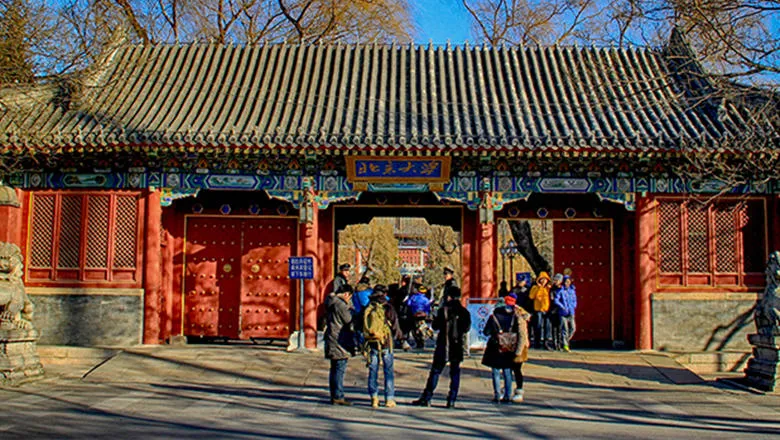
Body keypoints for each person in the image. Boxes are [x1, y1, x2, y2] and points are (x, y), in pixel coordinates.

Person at [411, 286, 471, 408]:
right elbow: (466, 328)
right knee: (455, 372)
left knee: (435, 371)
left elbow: (435, 326)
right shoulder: (464, 312)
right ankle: (451, 399)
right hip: (456, 344)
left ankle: (427, 397)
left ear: (448, 296)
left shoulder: (443, 310)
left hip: (443, 344)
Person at [482, 293, 530, 403]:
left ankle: (498, 394)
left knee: (496, 371)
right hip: (510, 346)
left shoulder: (494, 317)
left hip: (496, 346)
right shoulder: (514, 317)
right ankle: (508, 394)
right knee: (507, 370)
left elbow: (486, 332)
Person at [363, 284, 402, 408]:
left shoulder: (368, 307)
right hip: (386, 342)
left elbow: (360, 323)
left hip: (371, 342)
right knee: (388, 371)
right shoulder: (388, 307)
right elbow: (395, 324)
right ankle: (389, 398)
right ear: (385, 294)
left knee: (373, 370)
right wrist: (399, 337)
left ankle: (374, 397)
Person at [325, 284, 355, 406]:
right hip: (340, 338)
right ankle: (338, 395)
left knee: (334, 368)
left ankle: (334, 393)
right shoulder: (341, 305)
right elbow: (349, 320)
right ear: (347, 294)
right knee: (339, 368)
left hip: (332, 336)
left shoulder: (330, 301)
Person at [554, 275, 578, 352]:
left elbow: (575, 300)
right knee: (565, 329)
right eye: (566, 281)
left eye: (568, 281)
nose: (567, 283)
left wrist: (574, 306)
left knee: (573, 328)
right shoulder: (560, 290)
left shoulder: (572, 290)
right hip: (563, 312)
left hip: (571, 311)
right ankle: (565, 345)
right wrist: (562, 306)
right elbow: (556, 300)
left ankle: (565, 341)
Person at [529, 272, 551, 349]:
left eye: (544, 279)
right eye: (541, 279)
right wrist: (538, 288)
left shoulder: (548, 288)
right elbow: (531, 296)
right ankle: (537, 342)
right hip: (538, 309)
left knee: (547, 326)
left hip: (546, 309)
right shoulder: (535, 287)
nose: (543, 281)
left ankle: (546, 342)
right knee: (538, 325)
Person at [548, 273, 565, 350]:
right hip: (554, 310)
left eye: (557, 280)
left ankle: (560, 342)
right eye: (555, 280)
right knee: (554, 328)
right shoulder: (552, 289)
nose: (555, 281)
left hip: (562, 310)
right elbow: (552, 300)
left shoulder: (563, 289)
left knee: (561, 328)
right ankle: (555, 343)